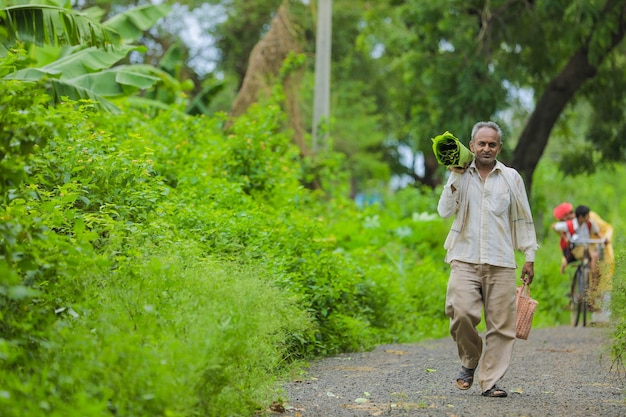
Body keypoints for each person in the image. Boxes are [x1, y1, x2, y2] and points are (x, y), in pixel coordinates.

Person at [437, 121, 538, 398]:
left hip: (501, 261)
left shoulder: (511, 178)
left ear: (499, 147)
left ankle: (490, 381)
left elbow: (522, 218)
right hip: (464, 258)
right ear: (471, 146)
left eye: (492, 144)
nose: (486, 148)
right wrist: (455, 176)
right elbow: (444, 211)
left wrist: (529, 256)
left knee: (502, 326)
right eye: (481, 143)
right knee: (460, 313)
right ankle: (469, 360)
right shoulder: (459, 174)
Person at [552, 204, 610, 316]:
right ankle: (589, 292)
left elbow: (598, 234)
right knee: (592, 255)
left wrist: (603, 239)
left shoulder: (589, 224)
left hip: (587, 247)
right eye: (587, 215)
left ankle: (593, 289)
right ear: (581, 217)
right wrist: (565, 238)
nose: (589, 217)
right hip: (578, 249)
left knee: (596, 263)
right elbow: (554, 227)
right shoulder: (569, 225)